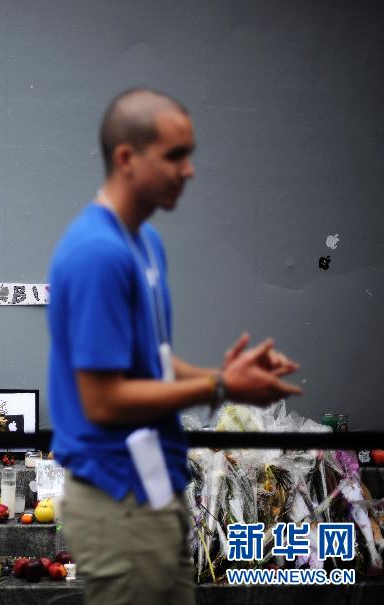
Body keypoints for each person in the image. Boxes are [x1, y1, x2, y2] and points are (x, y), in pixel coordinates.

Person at [47, 88, 301, 605]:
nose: (189, 170)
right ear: (126, 158)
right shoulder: (98, 253)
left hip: (157, 490)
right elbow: (103, 400)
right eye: (175, 155)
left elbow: (153, 363)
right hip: (119, 499)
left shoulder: (146, 244)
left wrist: (222, 378)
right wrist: (219, 386)